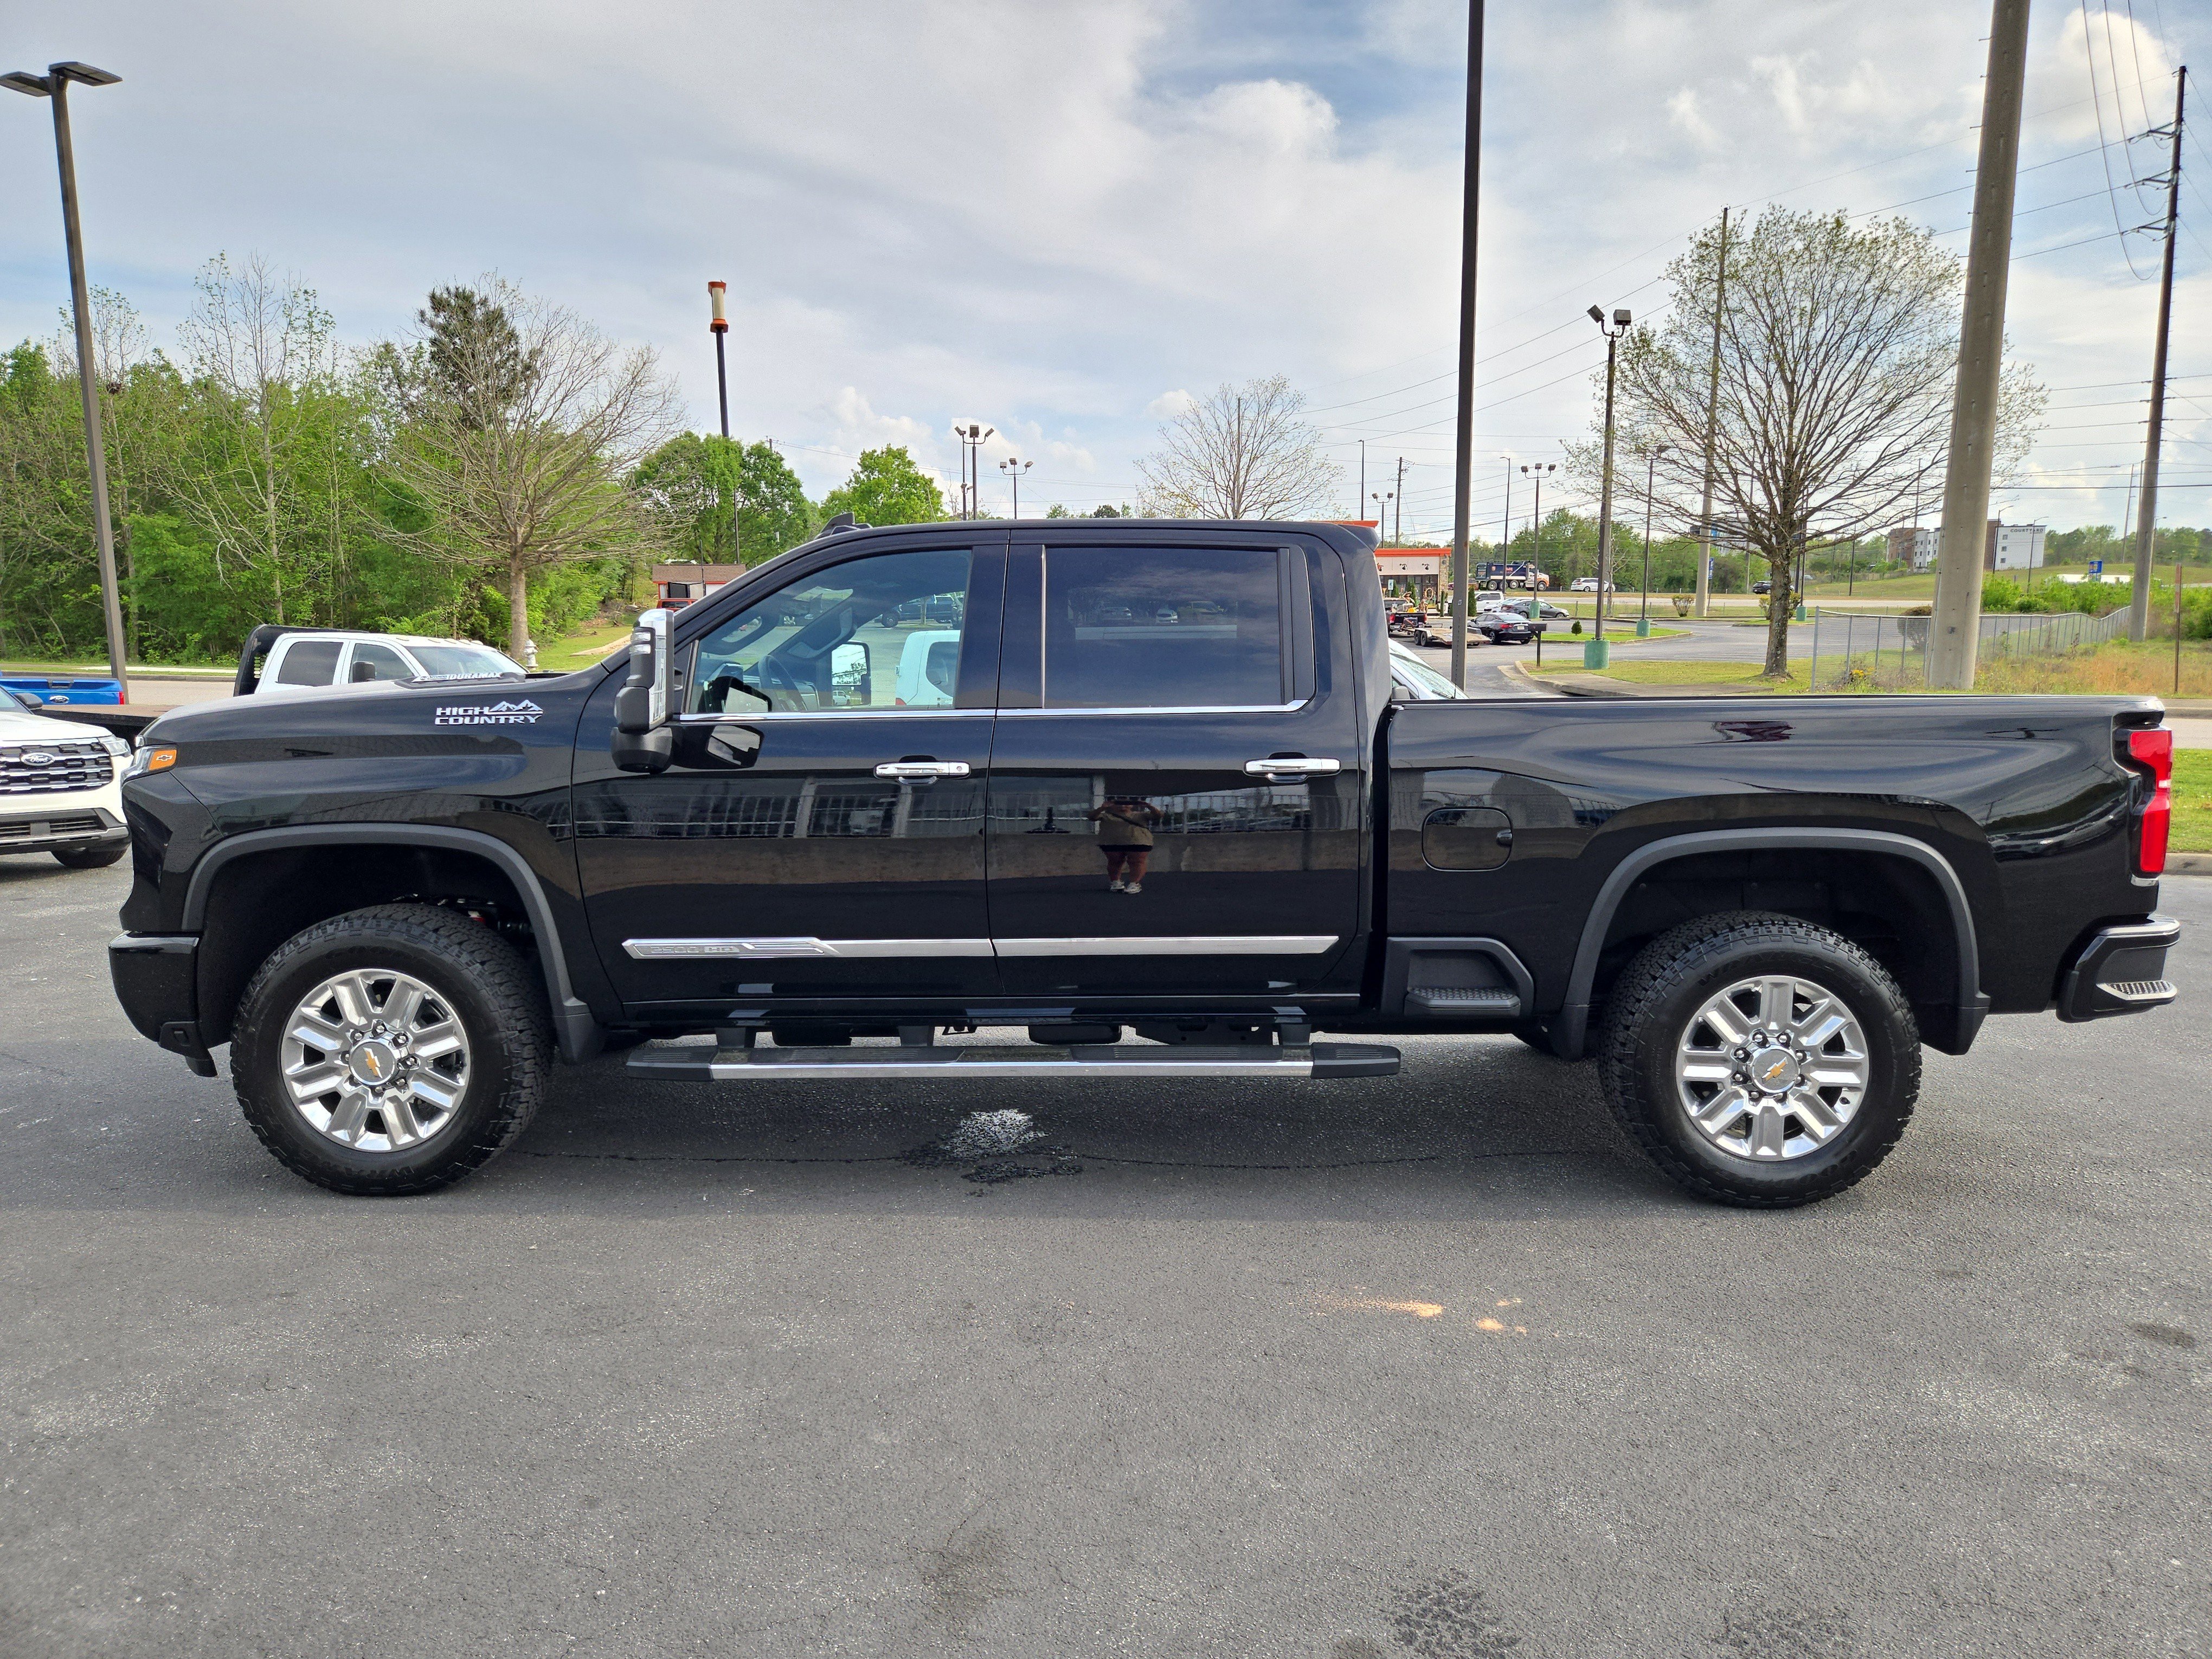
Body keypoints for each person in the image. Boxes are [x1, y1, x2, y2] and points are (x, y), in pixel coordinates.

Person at [1088, 796, 1162, 893]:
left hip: (1138, 841)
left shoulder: (1141, 815)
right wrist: (1102, 808)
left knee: (1137, 862)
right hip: (1112, 842)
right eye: (1119, 803)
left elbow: (1159, 815)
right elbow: (1091, 817)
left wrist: (1148, 806)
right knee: (1114, 862)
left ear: (1132, 805)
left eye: (1126, 804)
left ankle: (1134, 883)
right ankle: (1116, 882)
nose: (1123, 806)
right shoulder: (1106, 816)